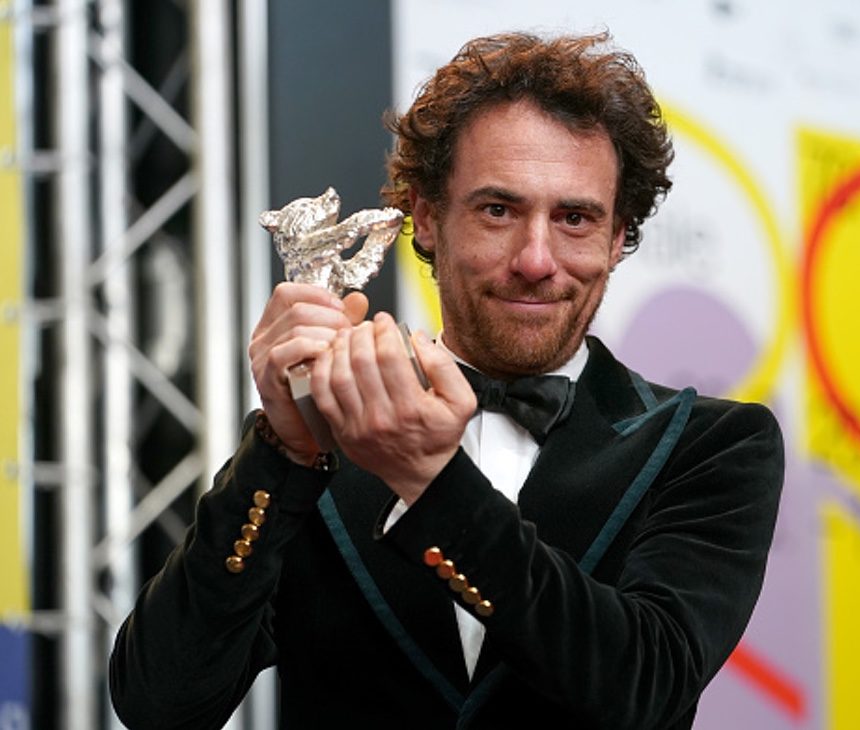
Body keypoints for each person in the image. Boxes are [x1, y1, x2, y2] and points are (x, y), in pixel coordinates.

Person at [110, 31, 783, 730]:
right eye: (498, 210)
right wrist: (283, 453)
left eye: (575, 219)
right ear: (427, 218)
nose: (536, 259)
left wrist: (432, 484)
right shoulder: (330, 435)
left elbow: (643, 689)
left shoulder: (708, 445)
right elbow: (161, 704)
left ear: (617, 238)